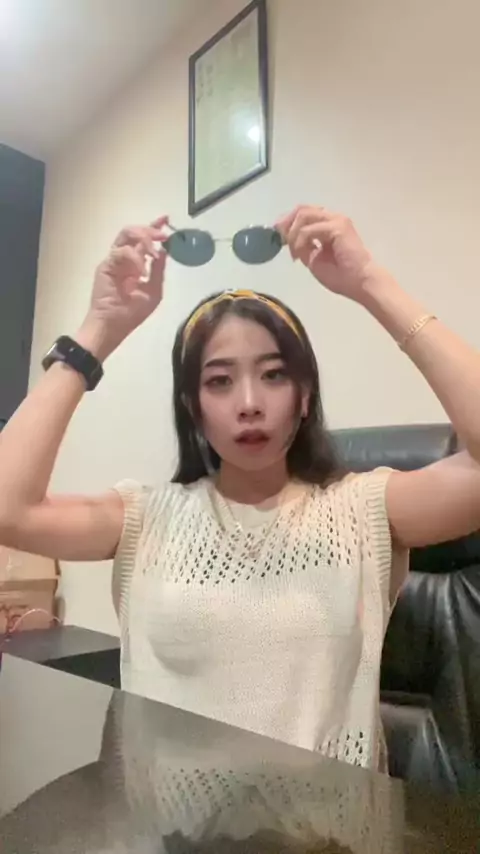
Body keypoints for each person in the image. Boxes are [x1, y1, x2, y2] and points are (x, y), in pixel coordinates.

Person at [0, 205, 479, 773]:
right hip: (161, 817)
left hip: (328, 819)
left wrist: (370, 282)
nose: (249, 402)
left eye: (274, 375)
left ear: (305, 396)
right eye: (219, 381)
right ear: (193, 407)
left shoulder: (363, 508)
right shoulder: (146, 517)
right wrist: (98, 330)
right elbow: (8, 509)